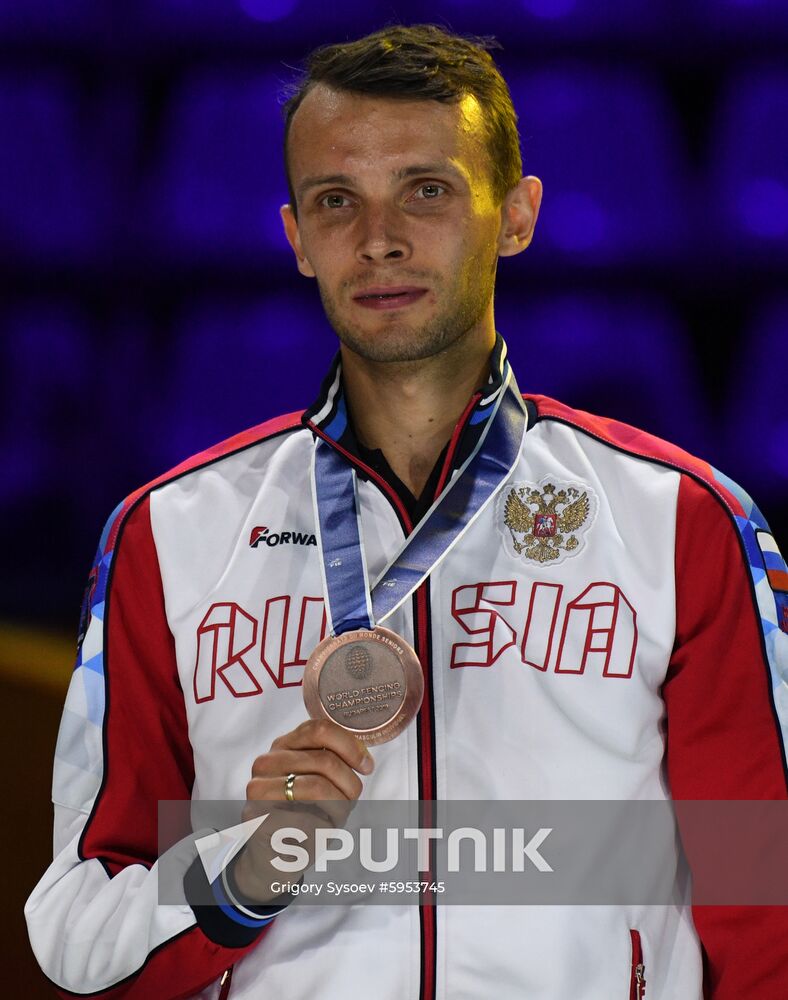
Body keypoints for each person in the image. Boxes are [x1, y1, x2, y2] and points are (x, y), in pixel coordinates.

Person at [25, 23, 788, 1000]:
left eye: (426, 191)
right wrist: (237, 879)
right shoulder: (167, 534)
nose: (377, 238)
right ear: (296, 238)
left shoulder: (680, 519)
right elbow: (79, 935)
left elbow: (760, 904)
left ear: (514, 216)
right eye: (335, 201)